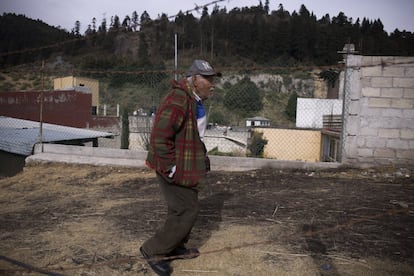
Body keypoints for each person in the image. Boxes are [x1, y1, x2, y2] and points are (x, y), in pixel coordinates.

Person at [140, 59, 221, 275]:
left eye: (213, 79)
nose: (212, 84)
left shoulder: (193, 100)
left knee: (186, 205)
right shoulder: (178, 99)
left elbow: (193, 135)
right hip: (173, 166)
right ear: (194, 79)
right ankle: (153, 250)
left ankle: (174, 247)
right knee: (186, 209)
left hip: (187, 166)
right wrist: (171, 168)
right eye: (207, 79)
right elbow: (159, 137)